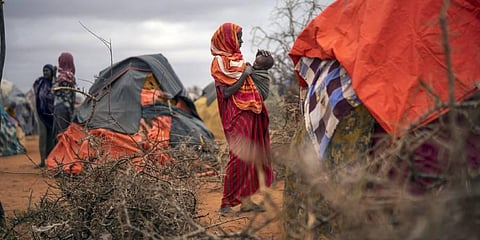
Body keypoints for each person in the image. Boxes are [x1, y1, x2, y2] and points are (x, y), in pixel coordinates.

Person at [210, 22, 274, 215]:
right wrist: (244, 75)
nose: (242, 41)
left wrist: (259, 65)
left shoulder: (239, 60)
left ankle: (246, 201)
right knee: (238, 157)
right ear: (228, 39)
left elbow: (256, 84)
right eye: (238, 37)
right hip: (236, 115)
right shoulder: (219, 63)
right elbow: (227, 92)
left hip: (251, 114)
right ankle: (226, 203)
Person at [33, 64, 56, 167]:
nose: (45, 72)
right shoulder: (40, 82)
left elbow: (54, 95)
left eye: (47, 70)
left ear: (51, 72)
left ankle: (51, 160)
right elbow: (37, 93)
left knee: (51, 138)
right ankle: (42, 161)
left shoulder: (54, 83)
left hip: (52, 115)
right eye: (44, 70)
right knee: (42, 136)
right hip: (41, 113)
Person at [52, 52, 76, 145]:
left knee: (59, 134)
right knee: (64, 133)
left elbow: (55, 90)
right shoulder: (70, 76)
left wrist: (53, 76)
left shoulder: (63, 76)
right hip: (67, 109)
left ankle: (60, 157)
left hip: (60, 109)